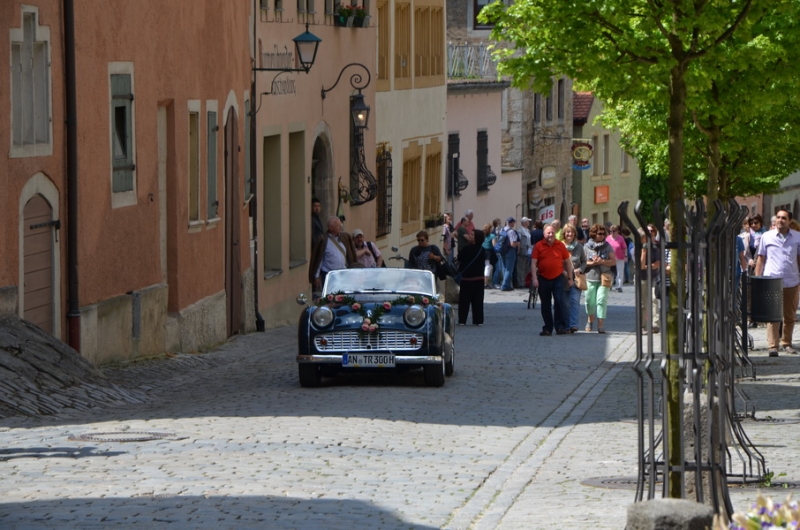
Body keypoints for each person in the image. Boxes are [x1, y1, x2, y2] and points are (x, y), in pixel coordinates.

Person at [755, 209, 800, 357]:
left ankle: (786, 343)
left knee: (789, 316)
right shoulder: (766, 237)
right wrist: (758, 279)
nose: (780, 220)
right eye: (778, 218)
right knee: (773, 316)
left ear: (789, 221)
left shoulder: (797, 237)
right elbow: (761, 258)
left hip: (791, 281)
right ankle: (772, 346)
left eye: (783, 218)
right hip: (771, 281)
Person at [531, 223, 574, 336]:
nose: (551, 235)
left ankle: (560, 327)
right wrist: (534, 278)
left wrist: (570, 278)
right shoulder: (538, 246)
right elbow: (533, 262)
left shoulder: (560, 245)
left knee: (559, 302)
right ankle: (548, 328)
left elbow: (567, 263)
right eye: (548, 233)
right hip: (543, 278)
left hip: (558, 278)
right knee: (545, 305)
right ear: (544, 234)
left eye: (552, 233)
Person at [309, 216, 358, 291]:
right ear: (331, 228)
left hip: (344, 274)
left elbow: (350, 255)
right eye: (338, 225)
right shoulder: (323, 240)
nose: (340, 227)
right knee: (330, 297)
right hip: (329, 275)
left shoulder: (345, 237)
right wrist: (316, 277)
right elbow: (319, 260)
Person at [584, 223, 614, 333]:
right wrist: (592, 263)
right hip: (590, 276)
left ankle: (601, 324)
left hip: (604, 277)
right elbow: (582, 263)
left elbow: (613, 261)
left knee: (601, 300)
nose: (601, 236)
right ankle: (590, 319)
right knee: (589, 301)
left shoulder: (607, 246)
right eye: (599, 234)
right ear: (593, 234)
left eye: (603, 234)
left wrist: (602, 261)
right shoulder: (587, 247)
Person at [457, 230, 486, 326]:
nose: (469, 235)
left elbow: (459, 258)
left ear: (476, 238)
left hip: (467, 278)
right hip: (479, 278)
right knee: (478, 300)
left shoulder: (466, 248)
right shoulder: (482, 250)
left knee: (464, 300)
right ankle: (478, 320)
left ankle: (462, 320)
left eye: (472, 235)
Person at [562, 224, 586, 333]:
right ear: (564, 233)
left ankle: (573, 325)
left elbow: (584, 261)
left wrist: (580, 269)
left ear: (575, 234)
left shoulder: (579, 247)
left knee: (574, 301)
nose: (569, 234)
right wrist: (563, 272)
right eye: (567, 232)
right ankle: (566, 325)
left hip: (576, 278)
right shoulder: (560, 246)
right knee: (565, 303)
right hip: (563, 278)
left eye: (571, 232)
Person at [639, 225, 661, 334]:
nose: (650, 234)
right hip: (642, 278)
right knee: (643, 303)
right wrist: (643, 251)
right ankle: (644, 325)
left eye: (652, 232)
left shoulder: (655, 247)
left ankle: (655, 324)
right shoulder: (636, 249)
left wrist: (646, 266)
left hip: (653, 276)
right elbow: (640, 266)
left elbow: (657, 264)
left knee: (654, 299)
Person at [498, 217, 520, 291]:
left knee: (504, 268)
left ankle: (505, 284)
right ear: (511, 223)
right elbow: (512, 244)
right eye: (513, 222)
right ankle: (505, 285)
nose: (514, 223)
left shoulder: (502, 230)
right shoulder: (511, 232)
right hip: (510, 251)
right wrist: (517, 244)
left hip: (503, 251)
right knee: (509, 269)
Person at [606, 225, 628, 293]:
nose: (612, 232)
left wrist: (626, 256)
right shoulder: (607, 238)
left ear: (617, 231)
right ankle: (609, 285)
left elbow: (624, 248)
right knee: (609, 272)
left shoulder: (620, 238)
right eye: (610, 231)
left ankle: (619, 286)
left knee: (619, 272)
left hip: (619, 257)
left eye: (613, 231)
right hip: (610, 258)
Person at [516, 217, 533, 290]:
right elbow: (519, 241)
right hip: (523, 250)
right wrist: (519, 249)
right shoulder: (520, 231)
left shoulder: (528, 230)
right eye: (527, 221)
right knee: (521, 267)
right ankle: (520, 282)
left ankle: (524, 281)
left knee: (526, 267)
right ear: (524, 223)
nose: (528, 222)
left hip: (528, 251)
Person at [482, 223, 498, 288]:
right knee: (488, 267)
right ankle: (486, 283)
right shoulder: (492, 236)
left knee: (484, 266)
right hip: (489, 252)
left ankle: (484, 282)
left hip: (482, 251)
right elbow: (494, 245)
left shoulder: (483, 235)